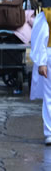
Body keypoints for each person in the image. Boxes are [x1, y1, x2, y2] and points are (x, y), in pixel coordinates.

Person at [30, 11, 51, 145]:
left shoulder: (46, 14)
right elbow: (42, 38)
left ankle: (49, 131)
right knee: (49, 95)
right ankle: (49, 131)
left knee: (49, 96)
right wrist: (42, 62)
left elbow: (40, 38)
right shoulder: (47, 14)